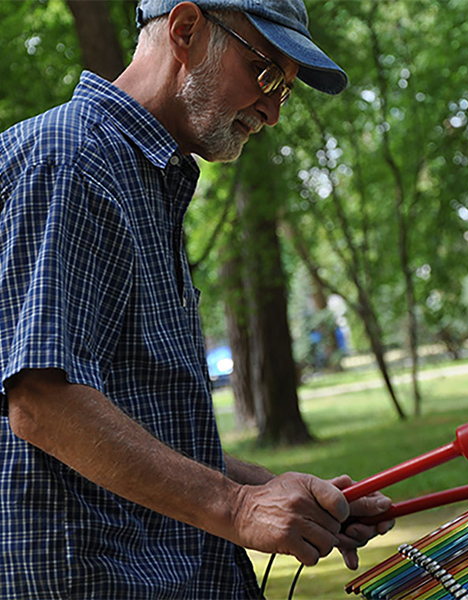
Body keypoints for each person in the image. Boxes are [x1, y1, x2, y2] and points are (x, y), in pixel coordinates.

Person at [0, 0, 394, 598]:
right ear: (186, 31)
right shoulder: (73, 161)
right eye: (266, 74)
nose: (272, 111)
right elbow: (41, 401)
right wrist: (238, 509)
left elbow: (142, 419)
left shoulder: (140, 178)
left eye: (285, 92)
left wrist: (270, 488)